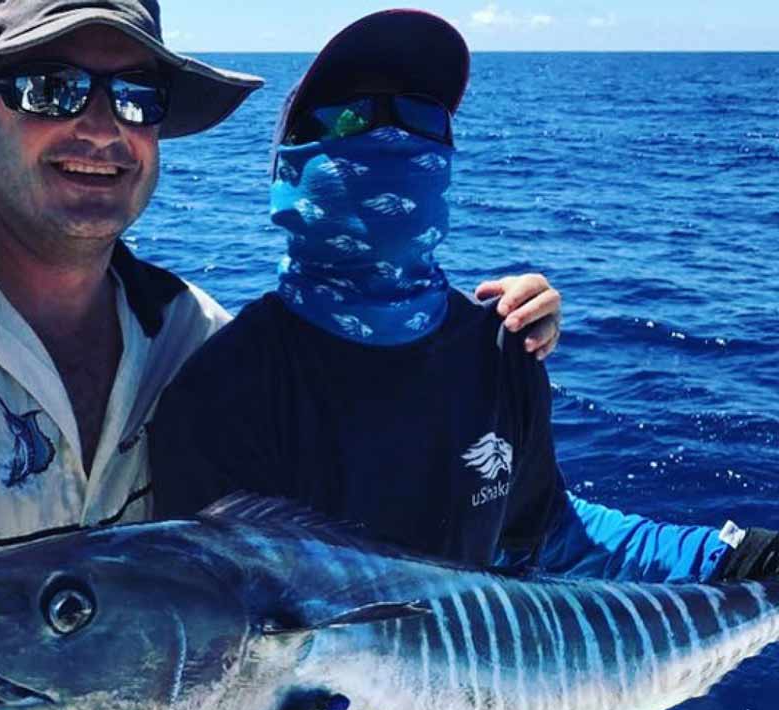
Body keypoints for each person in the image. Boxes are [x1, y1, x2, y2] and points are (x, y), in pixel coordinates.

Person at [0, 0, 566, 710]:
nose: (102, 128)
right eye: (53, 89)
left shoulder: (197, 345)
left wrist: (482, 340)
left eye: (137, 98)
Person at [150, 10, 778, 585]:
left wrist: (738, 557)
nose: (392, 136)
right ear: (289, 171)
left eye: (421, 116)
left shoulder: (502, 347)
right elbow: (218, 620)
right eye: (349, 117)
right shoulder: (222, 388)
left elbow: (548, 533)